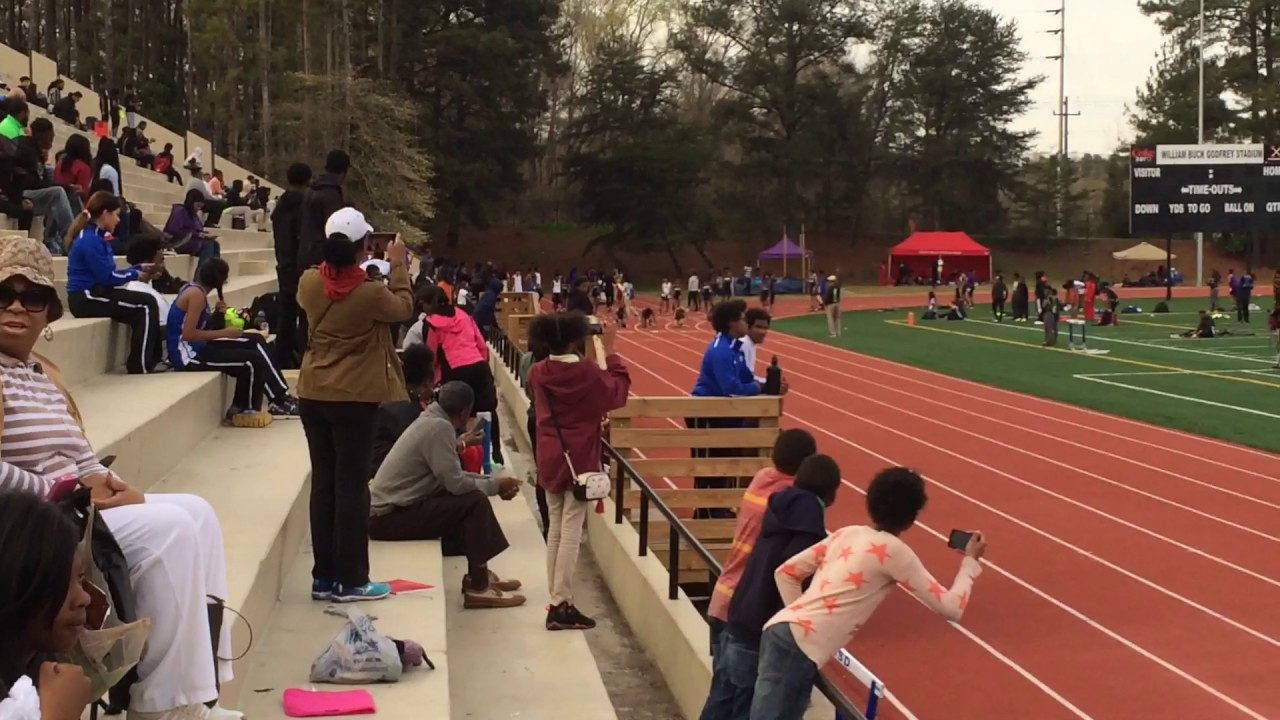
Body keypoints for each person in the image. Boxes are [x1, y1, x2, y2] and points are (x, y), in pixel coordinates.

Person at [0, 236, 242, 720]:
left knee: (197, 513)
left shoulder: (41, 372)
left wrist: (113, 485)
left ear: (49, 312)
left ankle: (198, 691)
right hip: (33, 520)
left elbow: (80, 454)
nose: (16, 306)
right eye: (3, 292)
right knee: (168, 531)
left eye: (32, 297)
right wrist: (60, 491)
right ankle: (162, 707)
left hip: (74, 504)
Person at [750, 467, 986, 720]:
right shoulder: (895, 552)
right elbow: (952, 608)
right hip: (797, 646)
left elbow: (785, 573)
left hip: (779, 631)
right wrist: (970, 564)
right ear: (913, 515)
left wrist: (798, 618)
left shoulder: (848, 533)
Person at [297, 208, 414, 602]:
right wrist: (397, 265)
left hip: (313, 392)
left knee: (324, 485)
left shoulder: (308, 282)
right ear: (364, 247)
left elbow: (330, 284)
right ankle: (352, 578)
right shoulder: (370, 292)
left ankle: (323, 577)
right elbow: (403, 309)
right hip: (354, 398)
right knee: (351, 488)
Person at [704, 454, 841, 720]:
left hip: (737, 617)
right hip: (758, 631)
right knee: (745, 710)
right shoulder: (807, 525)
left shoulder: (778, 509)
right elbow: (791, 577)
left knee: (720, 701)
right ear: (831, 492)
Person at [369, 381, 525, 608]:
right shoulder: (438, 428)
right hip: (388, 518)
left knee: (472, 498)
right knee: (474, 502)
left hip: (391, 512)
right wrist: (496, 486)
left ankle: (478, 575)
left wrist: (495, 483)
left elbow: (453, 475)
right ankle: (478, 588)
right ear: (464, 411)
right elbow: (456, 483)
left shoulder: (432, 419)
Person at [528, 312, 630, 630]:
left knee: (556, 527)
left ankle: (557, 597)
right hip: (580, 457)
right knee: (572, 529)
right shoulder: (587, 372)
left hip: (549, 454)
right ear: (577, 339)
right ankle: (561, 603)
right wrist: (610, 352)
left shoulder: (537, 371)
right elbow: (616, 393)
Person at [0, 490, 95, 720]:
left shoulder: (37, 666)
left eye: (79, 579)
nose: (84, 598)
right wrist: (57, 714)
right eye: (62, 582)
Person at [168, 258, 298, 425]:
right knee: (251, 361)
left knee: (255, 340)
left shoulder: (196, 291)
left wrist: (218, 315)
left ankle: (280, 397)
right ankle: (246, 409)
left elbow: (202, 327)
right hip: (188, 355)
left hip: (197, 346)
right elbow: (188, 334)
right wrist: (224, 333)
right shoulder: (196, 295)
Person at [64, 193, 164, 374]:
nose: (118, 220)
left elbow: (109, 274)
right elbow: (107, 278)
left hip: (97, 292)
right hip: (86, 297)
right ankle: (140, 364)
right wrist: (134, 274)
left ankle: (152, 358)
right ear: (105, 213)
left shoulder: (98, 237)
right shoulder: (90, 240)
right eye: (116, 214)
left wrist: (137, 268)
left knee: (146, 302)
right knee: (146, 304)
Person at [414, 285, 504, 467]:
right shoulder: (464, 314)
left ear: (430, 304)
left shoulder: (431, 324)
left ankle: (464, 456)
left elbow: (432, 356)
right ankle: (494, 453)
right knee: (487, 410)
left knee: (457, 415)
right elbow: (480, 342)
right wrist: (482, 363)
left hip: (454, 371)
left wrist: (434, 380)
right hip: (479, 366)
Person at [271, 162, 312, 369]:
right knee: (306, 317)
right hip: (300, 267)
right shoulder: (305, 207)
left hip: (283, 264)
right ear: (308, 180)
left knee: (286, 318)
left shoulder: (279, 207)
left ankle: (281, 359)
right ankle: (306, 359)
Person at [298, 150, 350, 271]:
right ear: (343, 172)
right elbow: (337, 233)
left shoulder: (310, 191)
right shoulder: (331, 194)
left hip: (304, 255)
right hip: (322, 261)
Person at [164, 189, 222, 266]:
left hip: (191, 240)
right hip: (178, 242)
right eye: (197, 206)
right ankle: (203, 275)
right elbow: (174, 231)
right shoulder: (180, 211)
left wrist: (204, 235)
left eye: (200, 207)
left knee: (215, 244)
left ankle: (214, 273)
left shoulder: (193, 214)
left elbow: (197, 229)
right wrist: (197, 234)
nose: (198, 209)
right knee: (208, 246)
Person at [739, 308, 771, 384]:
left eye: (765, 328)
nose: (762, 332)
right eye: (758, 327)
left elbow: (748, 377)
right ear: (748, 326)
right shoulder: (744, 344)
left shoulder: (750, 344)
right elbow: (743, 379)